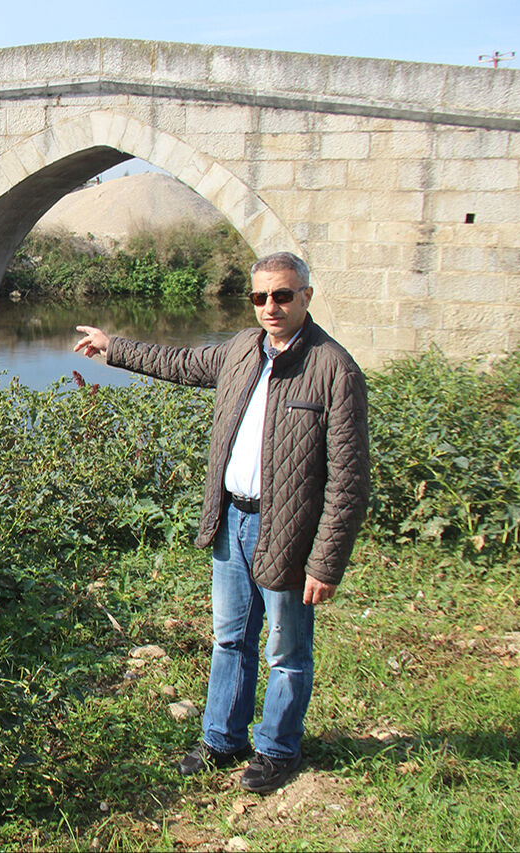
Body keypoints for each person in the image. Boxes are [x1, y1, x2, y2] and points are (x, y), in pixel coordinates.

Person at [73, 251, 369, 794]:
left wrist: (326, 563)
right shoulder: (241, 349)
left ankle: (277, 750)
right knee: (230, 637)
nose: (270, 307)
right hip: (231, 518)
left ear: (306, 295)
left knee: (286, 649)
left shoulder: (334, 368)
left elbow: (349, 480)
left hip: (288, 531)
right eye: (260, 297)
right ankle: (223, 739)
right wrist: (115, 348)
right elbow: (181, 363)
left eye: (282, 295)